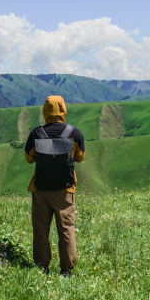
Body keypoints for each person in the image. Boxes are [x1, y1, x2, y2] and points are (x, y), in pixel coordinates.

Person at [24, 95, 85, 277]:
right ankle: (66, 269)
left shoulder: (36, 134)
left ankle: (42, 267)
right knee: (66, 229)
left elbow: (29, 158)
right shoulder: (74, 133)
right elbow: (80, 157)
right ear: (64, 110)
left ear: (45, 111)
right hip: (65, 191)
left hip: (41, 189)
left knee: (41, 229)